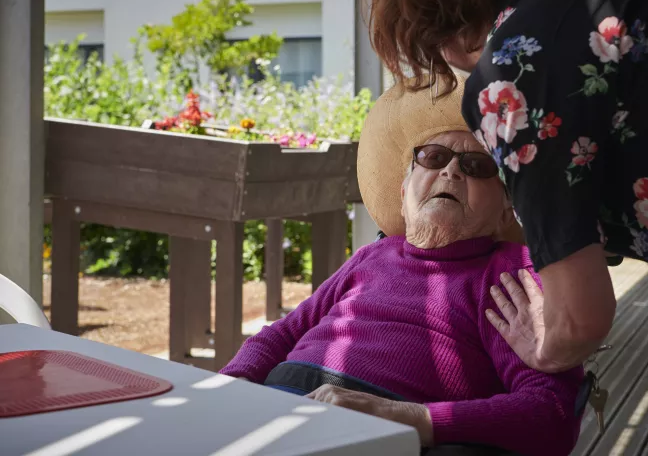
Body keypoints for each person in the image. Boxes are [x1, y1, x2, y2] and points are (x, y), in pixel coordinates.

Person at [366, 0, 648, 384]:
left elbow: (578, 321)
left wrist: (543, 349)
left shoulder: (511, 73)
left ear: (437, 20)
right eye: (433, 157)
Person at [220, 77, 583, 456]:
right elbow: (280, 334)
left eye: (477, 165)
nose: (451, 172)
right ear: (403, 190)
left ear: (505, 213)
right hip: (280, 404)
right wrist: (227, 389)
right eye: (433, 157)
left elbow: (551, 412)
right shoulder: (371, 256)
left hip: (387, 437)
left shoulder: (512, 273)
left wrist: (408, 417)